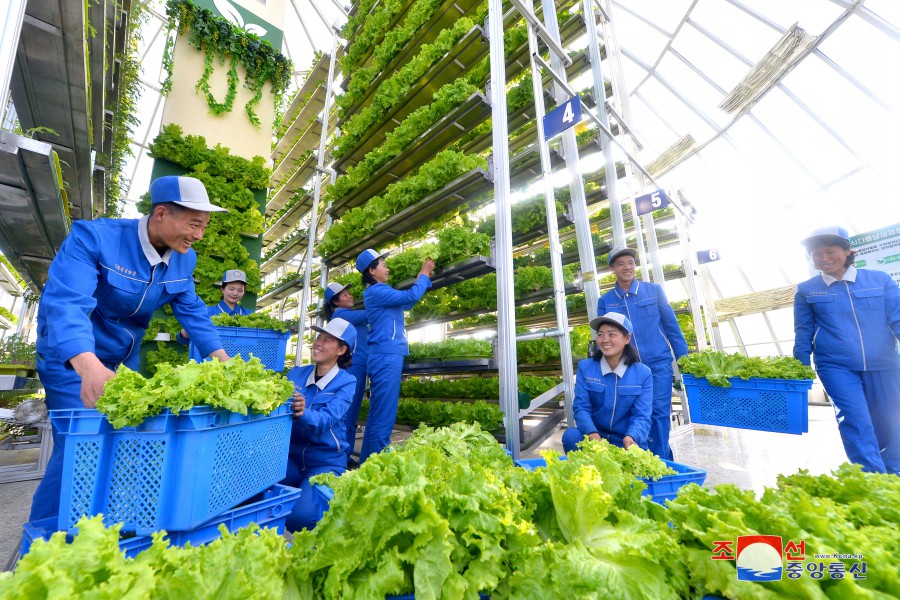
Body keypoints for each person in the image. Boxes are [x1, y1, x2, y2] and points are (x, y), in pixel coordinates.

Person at [30, 175, 230, 522]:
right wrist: (88, 367)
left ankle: (97, 526)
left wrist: (224, 361)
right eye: (194, 224)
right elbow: (66, 304)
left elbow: (192, 311)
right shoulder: (94, 238)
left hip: (123, 361)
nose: (199, 235)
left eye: (204, 226)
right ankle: (42, 542)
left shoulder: (185, 259)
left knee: (122, 444)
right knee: (80, 448)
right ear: (162, 214)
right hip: (73, 359)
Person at [793, 226, 900, 474]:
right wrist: (799, 366)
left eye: (830, 251)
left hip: (884, 362)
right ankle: (872, 476)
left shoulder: (879, 280)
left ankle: (895, 471)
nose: (824, 258)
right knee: (854, 418)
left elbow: (897, 317)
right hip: (835, 365)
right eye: (817, 254)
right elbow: (803, 330)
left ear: (848, 251)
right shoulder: (807, 289)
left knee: (892, 420)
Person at [597, 246, 688, 460]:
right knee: (635, 415)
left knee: (658, 412)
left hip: (658, 364)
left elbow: (672, 327)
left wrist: (684, 359)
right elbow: (605, 338)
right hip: (627, 367)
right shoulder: (606, 301)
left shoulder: (653, 291)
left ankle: (661, 462)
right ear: (613, 269)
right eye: (620, 264)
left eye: (630, 262)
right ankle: (650, 459)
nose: (627, 267)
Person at [356, 248, 434, 462]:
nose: (388, 268)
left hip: (382, 355)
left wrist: (422, 278)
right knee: (384, 418)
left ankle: (366, 465)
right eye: (383, 264)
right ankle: (379, 470)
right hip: (386, 356)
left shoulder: (378, 292)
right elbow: (411, 295)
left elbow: (407, 301)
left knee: (375, 417)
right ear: (372, 271)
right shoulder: (377, 291)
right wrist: (426, 272)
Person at [283, 318, 357, 531]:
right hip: (292, 458)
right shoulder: (296, 373)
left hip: (324, 462)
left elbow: (327, 419)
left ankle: (327, 506)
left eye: (327, 340)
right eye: (318, 337)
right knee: (254, 488)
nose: (318, 343)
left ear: (341, 350)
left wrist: (303, 413)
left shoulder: (346, 382)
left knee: (299, 519)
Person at [563, 312, 653, 453]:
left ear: (627, 338)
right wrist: (591, 432)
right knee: (571, 436)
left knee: (637, 448)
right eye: (600, 334)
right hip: (595, 437)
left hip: (624, 440)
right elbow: (581, 407)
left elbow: (642, 415)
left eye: (612, 334)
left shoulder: (643, 373)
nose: (605, 340)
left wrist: (631, 435)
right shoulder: (586, 367)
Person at [323, 280, 368, 464]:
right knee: (347, 415)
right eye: (344, 295)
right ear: (335, 302)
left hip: (360, 366)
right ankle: (341, 456)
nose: (350, 296)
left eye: (349, 292)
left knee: (352, 414)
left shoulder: (347, 314)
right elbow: (370, 314)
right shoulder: (341, 314)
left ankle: (345, 454)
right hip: (353, 367)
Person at [177, 269, 252, 343]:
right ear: (222, 289)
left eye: (240, 291)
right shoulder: (206, 312)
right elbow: (182, 340)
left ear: (244, 292)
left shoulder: (250, 315)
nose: (235, 293)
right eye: (231, 289)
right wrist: (183, 334)